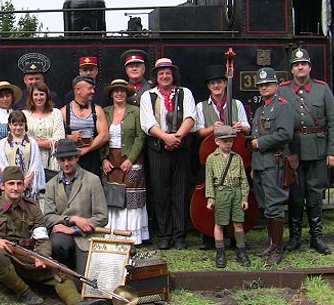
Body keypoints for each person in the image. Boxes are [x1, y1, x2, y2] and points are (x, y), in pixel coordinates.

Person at [0, 166, 102, 305]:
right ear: (2, 186)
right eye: (11, 184)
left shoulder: (32, 209)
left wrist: (43, 256)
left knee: (60, 272)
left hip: (25, 256)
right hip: (1, 259)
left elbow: (41, 237)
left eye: (19, 184)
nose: (15, 188)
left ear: (24, 186)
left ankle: (77, 302)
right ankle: (25, 293)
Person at [278, 48, 334, 255]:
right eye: (296, 65)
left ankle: (316, 238)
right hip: (293, 152)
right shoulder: (283, 90)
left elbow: (332, 122)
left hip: (317, 150)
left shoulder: (323, 89)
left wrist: (333, 152)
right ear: (292, 70)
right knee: (295, 195)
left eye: (303, 64)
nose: (300, 67)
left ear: (309, 67)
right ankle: (295, 238)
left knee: (315, 195)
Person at [139, 58, 196, 250]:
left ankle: (180, 235)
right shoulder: (148, 96)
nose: (164, 76)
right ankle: (164, 234)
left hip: (181, 147)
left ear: (173, 75)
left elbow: (190, 117)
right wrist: (166, 138)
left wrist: (177, 137)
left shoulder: (184, 92)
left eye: (168, 73)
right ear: (156, 76)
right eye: (161, 73)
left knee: (180, 192)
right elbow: (147, 123)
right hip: (158, 148)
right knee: (161, 193)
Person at [249, 67, 293, 266]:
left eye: (267, 84)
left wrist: (261, 143)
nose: (264, 87)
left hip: (274, 163)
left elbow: (285, 134)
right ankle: (271, 243)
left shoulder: (282, 106)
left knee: (275, 206)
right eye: (261, 85)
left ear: (276, 85)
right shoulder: (261, 109)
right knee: (266, 206)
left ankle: (277, 249)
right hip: (260, 165)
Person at [43, 139, 108, 273]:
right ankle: (62, 277)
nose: (66, 164)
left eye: (69, 159)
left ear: (77, 158)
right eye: (62, 160)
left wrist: (74, 229)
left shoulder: (92, 180)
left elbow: (102, 217)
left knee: (85, 282)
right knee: (56, 244)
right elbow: (48, 217)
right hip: (62, 234)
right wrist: (71, 219)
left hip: (86, 235)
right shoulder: (51, 185)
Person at [100, 79, 148, 245]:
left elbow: (140, 137)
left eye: (122, 91)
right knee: (113, 195)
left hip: (130, 156)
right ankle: (113, 234)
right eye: (116, 91)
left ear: (127, 93)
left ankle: (133, 236)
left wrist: (130, 159)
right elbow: (100, 136)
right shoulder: (105, 112)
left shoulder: (135, 111)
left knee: (131, 196)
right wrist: (103, 159)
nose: (119, 94)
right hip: (110, 158)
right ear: (111, 94)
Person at [205, 125, 250, 268]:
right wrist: (211, 198)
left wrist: (244, 197)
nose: (228, 144)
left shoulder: (237, 158)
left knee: (238, 223)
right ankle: (220, 252)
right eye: (225, 141)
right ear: (217, 141)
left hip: (236, 192)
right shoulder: (212, 158)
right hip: (221, 193)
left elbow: (244, 179)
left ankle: (241, 251)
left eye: (231, 141)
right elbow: (209, 180)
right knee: (220, 224)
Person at [61, 76, 109, 177]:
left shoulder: (97, 110)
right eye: (89, 88)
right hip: (70, 158)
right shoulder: (64, 112)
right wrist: (68, 138)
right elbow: (57, 136)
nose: (93, 92)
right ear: (78, 90)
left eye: (93, 88)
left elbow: (104, 135)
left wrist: (86, 150)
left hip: (92, 159)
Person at [0, 110, 46, 202]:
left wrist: (25, 182)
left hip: (27, 185)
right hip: (10, 185)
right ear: (9, 125)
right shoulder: (3, 143)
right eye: (15, 125)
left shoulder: (32, 142)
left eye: (21, 124)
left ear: (25, 125)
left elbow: (36, 163)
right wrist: (11, 182)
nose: (18, 127)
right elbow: (0, 163)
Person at [23, 82, 65, 182]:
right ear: (31, 97)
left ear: (47, 96)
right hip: (31, 159)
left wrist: (35, 142)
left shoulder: (56, 113)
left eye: (42, 94)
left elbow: (59, 140)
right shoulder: (24, 114)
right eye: (36, 94)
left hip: (53, 161)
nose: (39, 97)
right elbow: (23, 140)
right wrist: (47, 142)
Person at [195, 64, 250, 138]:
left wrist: (241, 127)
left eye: (219, 82)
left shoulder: (237, 104)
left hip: (234, 145)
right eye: (212, 83)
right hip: (210, 147)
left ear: (225, 83)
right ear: (208, 86)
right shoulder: (200, 106)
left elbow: (247, 129)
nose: (216, 86)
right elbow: (198, 132)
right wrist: (212, 128)